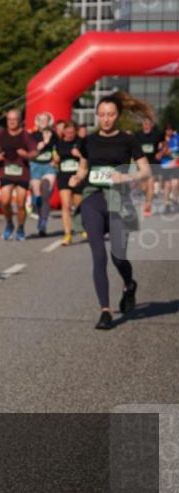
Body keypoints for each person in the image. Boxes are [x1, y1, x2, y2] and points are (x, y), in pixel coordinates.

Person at [67, 92, 151, 329]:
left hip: (118, 199)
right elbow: (84, 169)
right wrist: (76, 178)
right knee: (98, 256)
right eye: (102, 114)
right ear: (97, 116)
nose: (106, 119)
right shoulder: (88, 141)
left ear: (118, 116)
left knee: (118, 256)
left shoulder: (128, 140)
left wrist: (126, 175)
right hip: (92, 197)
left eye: (111, 114)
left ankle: (129, 284)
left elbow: (146, 171)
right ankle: (105, 311)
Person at [0, 109, 37, 241]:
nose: (11, 122)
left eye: (14, 119)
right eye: (9, 119)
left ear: (20, 121)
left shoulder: (26, 135)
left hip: (22, 172)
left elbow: (34, 152)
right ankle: (9, 224)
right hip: (6, 169)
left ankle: (20, 227)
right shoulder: (1, 133)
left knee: (21, 204)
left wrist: (26, 155)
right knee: (5, 201)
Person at [53, 120, 86, 246]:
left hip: (77, 176)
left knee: (79, 205)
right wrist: (55, 160)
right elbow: (56, 159)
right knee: (65, 206)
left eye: (72, 132)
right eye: (67, 132)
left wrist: (79, 155)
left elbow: (87, 157)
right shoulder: (59, 143)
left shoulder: (81, 142)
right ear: (64, 132)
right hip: (64, 177)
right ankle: (67, 234)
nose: (69, 134)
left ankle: (81, 227)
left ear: (75, 132)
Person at [29, 113, 58, 236]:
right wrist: (43, 143)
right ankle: (37, 211)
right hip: (35, 166)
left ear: (49, 121)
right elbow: (31, 151)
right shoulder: (32, 135)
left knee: (46, 193)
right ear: (37, 121)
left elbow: (58, 149)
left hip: (48, 167)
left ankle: (43, 223)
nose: (43, 122)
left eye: (45, 120)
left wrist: (56, 159)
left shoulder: (54, 135)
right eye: (40, 119)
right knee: (38, 196)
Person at [134, 115, 164, 216]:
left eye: (148, 124)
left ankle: (148, 205)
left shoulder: (157, 135)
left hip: (153, 162)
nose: (146, 126)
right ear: (142, 125)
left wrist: (161, 153)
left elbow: (165, 144)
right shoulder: (137, 135)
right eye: (144, 124)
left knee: (151, 183)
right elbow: (133, 147)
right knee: (144, 187)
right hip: (142, 163)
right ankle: (147, 198)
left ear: (151, 125)